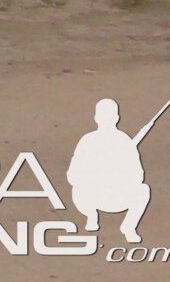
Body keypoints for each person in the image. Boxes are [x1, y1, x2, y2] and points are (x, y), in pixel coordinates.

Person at [68, 99, 153, 244]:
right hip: (93, 196)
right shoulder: (88, 141)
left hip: (118, 197)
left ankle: (128, 227)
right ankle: (91, 216)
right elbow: (73, 175)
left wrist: (117, 176)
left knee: (143, 190)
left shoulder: (124, 141)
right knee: (78, 188)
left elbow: (138, 175)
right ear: (117, 118)